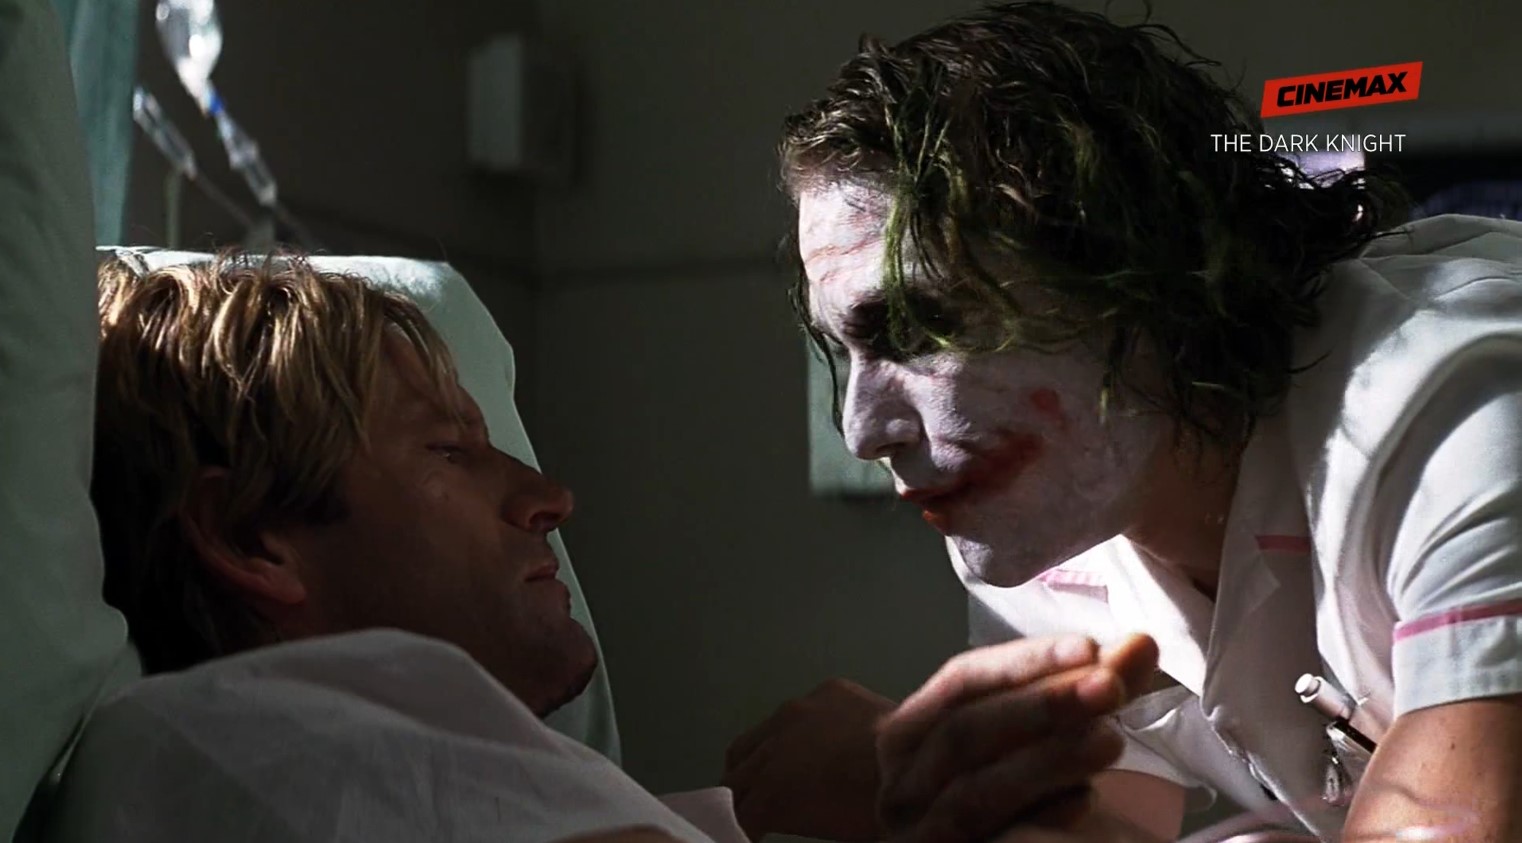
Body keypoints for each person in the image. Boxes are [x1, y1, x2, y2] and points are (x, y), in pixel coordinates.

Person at [725, 3, 1522, 842]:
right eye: (844, 351)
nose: (861, 430)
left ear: (1139, 269)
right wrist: (956, 804)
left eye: (917, 325)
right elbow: (1096, 830)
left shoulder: (1453, 402)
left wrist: (915, 802)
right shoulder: (1058, 509)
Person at [39, 253, 1156, 843]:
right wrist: (905, 795)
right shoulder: (242, 745)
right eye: (448, 450)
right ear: (249, 537)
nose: (549, 498)